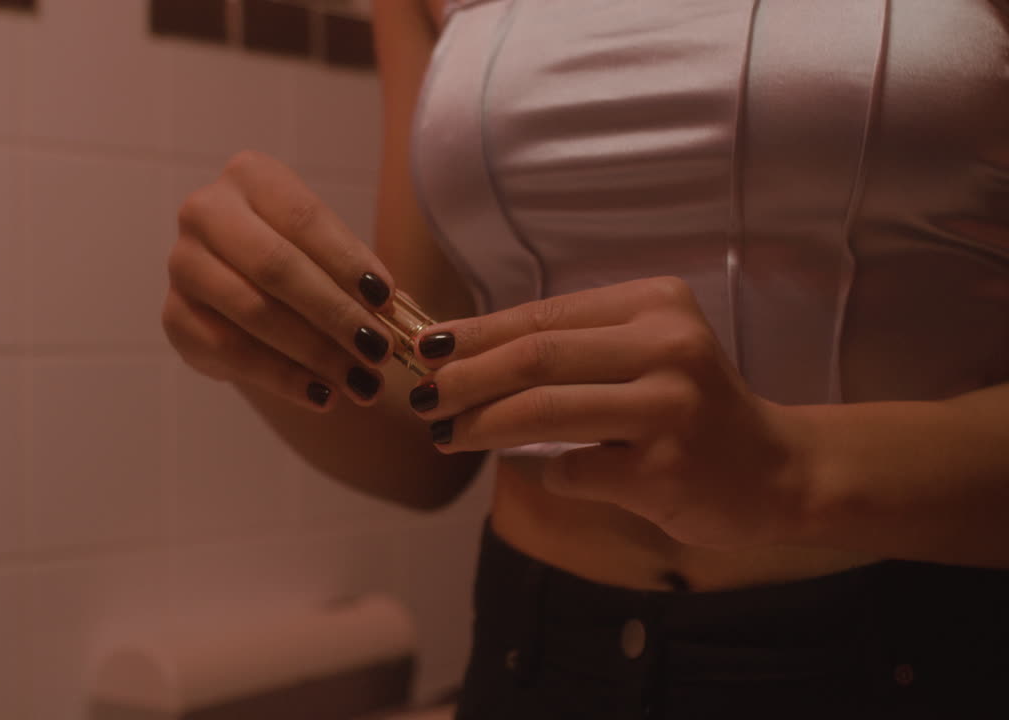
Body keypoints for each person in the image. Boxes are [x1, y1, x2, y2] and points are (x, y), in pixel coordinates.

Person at [162, 0, 1009, 717]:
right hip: (536, 661)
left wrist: (796, 471)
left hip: (926, 654)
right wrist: (258, 340)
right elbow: (424, 440)